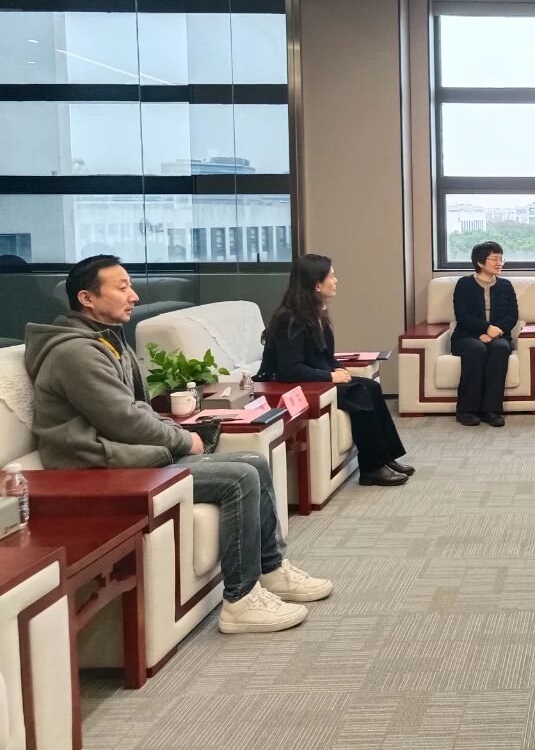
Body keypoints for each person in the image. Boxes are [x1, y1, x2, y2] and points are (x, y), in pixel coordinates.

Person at [25, 255, 332, 634]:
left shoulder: (105, 340)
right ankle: (241, 601)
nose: (134, 296)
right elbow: (123, 419)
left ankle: (270, 569)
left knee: (253, 463)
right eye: (122, 287)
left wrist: (175, 432)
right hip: (96, 468)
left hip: (123, 455)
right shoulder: (75, 353)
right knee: (239, 479)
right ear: (87, 298)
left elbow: (134, 409)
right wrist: (183, 439)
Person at [257, 254, 412, 486]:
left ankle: (385, 457)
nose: (336, 280)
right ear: (316, 284)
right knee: (359, 393)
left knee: (371, 387)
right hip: (295, 386)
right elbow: (289, 370)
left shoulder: (314, 312)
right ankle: (371, 468)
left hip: (314, 379)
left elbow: (324, 356)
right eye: (331, 276)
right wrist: (330, 375)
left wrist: (340, 369)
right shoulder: (290, 319)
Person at [451, 241, 516, 428]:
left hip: (498, 335)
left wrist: (494, 333)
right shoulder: (464, 284)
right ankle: (466, 410)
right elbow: (462, 316)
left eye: (501, 259)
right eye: (494, 259)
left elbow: (512, 315)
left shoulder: (505, 285)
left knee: (501, 348)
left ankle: (491, 410)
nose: (499, 263)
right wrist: (486, 328)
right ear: (480, 262)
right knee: (476, 349)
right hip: (466, 336)